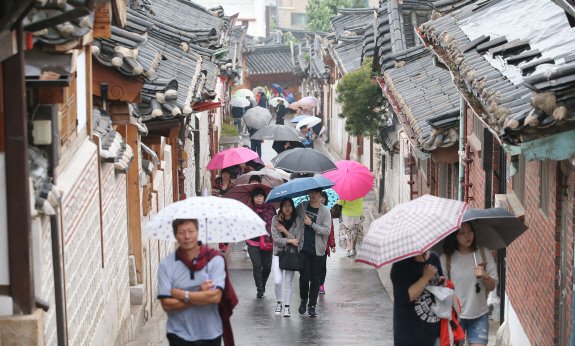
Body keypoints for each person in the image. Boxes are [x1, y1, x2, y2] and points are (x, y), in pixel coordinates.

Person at [158, 219, 238, 346]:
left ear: (198, 232)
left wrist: (182, 295)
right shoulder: (166, 264)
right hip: (178, 333)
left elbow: (215, 297)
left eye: (191, 231)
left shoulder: (215, 260)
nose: (187, 236)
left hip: (210, 333)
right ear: (174, 235)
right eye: (181, 232)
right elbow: (167, 304)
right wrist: (201, 295)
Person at [439, 222, 498, 346]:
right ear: (454, 236)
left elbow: (492, 286)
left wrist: (485, 275)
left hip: (479, 315)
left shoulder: (483, 253)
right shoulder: (446, 259)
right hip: (455, 317)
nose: (467, 236)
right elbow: (439, 289)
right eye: (462, 233)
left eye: (470, 231)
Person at [390, 251, 444, 346]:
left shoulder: (434, 257)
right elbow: (405, 297)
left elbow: (440, 284)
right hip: (410, 335)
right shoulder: (400, 264)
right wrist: (425, 278)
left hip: (435, 331)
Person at [294, 187, 331, 317]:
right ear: (308, 193)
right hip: (303, 249)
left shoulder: (325, 211)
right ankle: (303, 301)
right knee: (303, 278)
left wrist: (311, 224)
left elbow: (327, 231)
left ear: (320, 194)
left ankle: (312, 305)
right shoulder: (302, 206)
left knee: (315, 279)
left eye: (316, 192)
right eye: (311, 192)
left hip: (318, 251)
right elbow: (292, 217)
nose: (313, 195)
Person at [271, 198, 303, 317]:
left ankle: (287, 307)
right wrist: (290, 240)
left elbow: (298, 238)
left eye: (290, 205)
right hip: (278, 254)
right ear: (281, 207)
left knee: (288, 283)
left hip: (291, 254)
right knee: (277, 281)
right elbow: (276, 240)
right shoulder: (275, 219)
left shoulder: (297, 220)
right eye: (285, 205)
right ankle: (279, 302)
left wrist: (284, 230)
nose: (287, 208)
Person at [246, 188, 276, 298]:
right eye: (256, 197)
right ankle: (259, 289)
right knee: (257, 266)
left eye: (261, 196)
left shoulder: (270, 208)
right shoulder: (249, 210)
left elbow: (275, 223)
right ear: (253, 199)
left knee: (267, 267)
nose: (259, 199)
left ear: (264, 197)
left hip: (267, 242)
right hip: (253, 242)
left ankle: (263, 284)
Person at [319, 191, 336, 295]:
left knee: (322, 266)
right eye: (319, 197)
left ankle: (321, 285)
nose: (321, 199)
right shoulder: (310, 211)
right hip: (312, 244)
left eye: (323, 197)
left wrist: (332, 244)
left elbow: (331, 230)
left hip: (324, 245)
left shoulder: (327, 212)